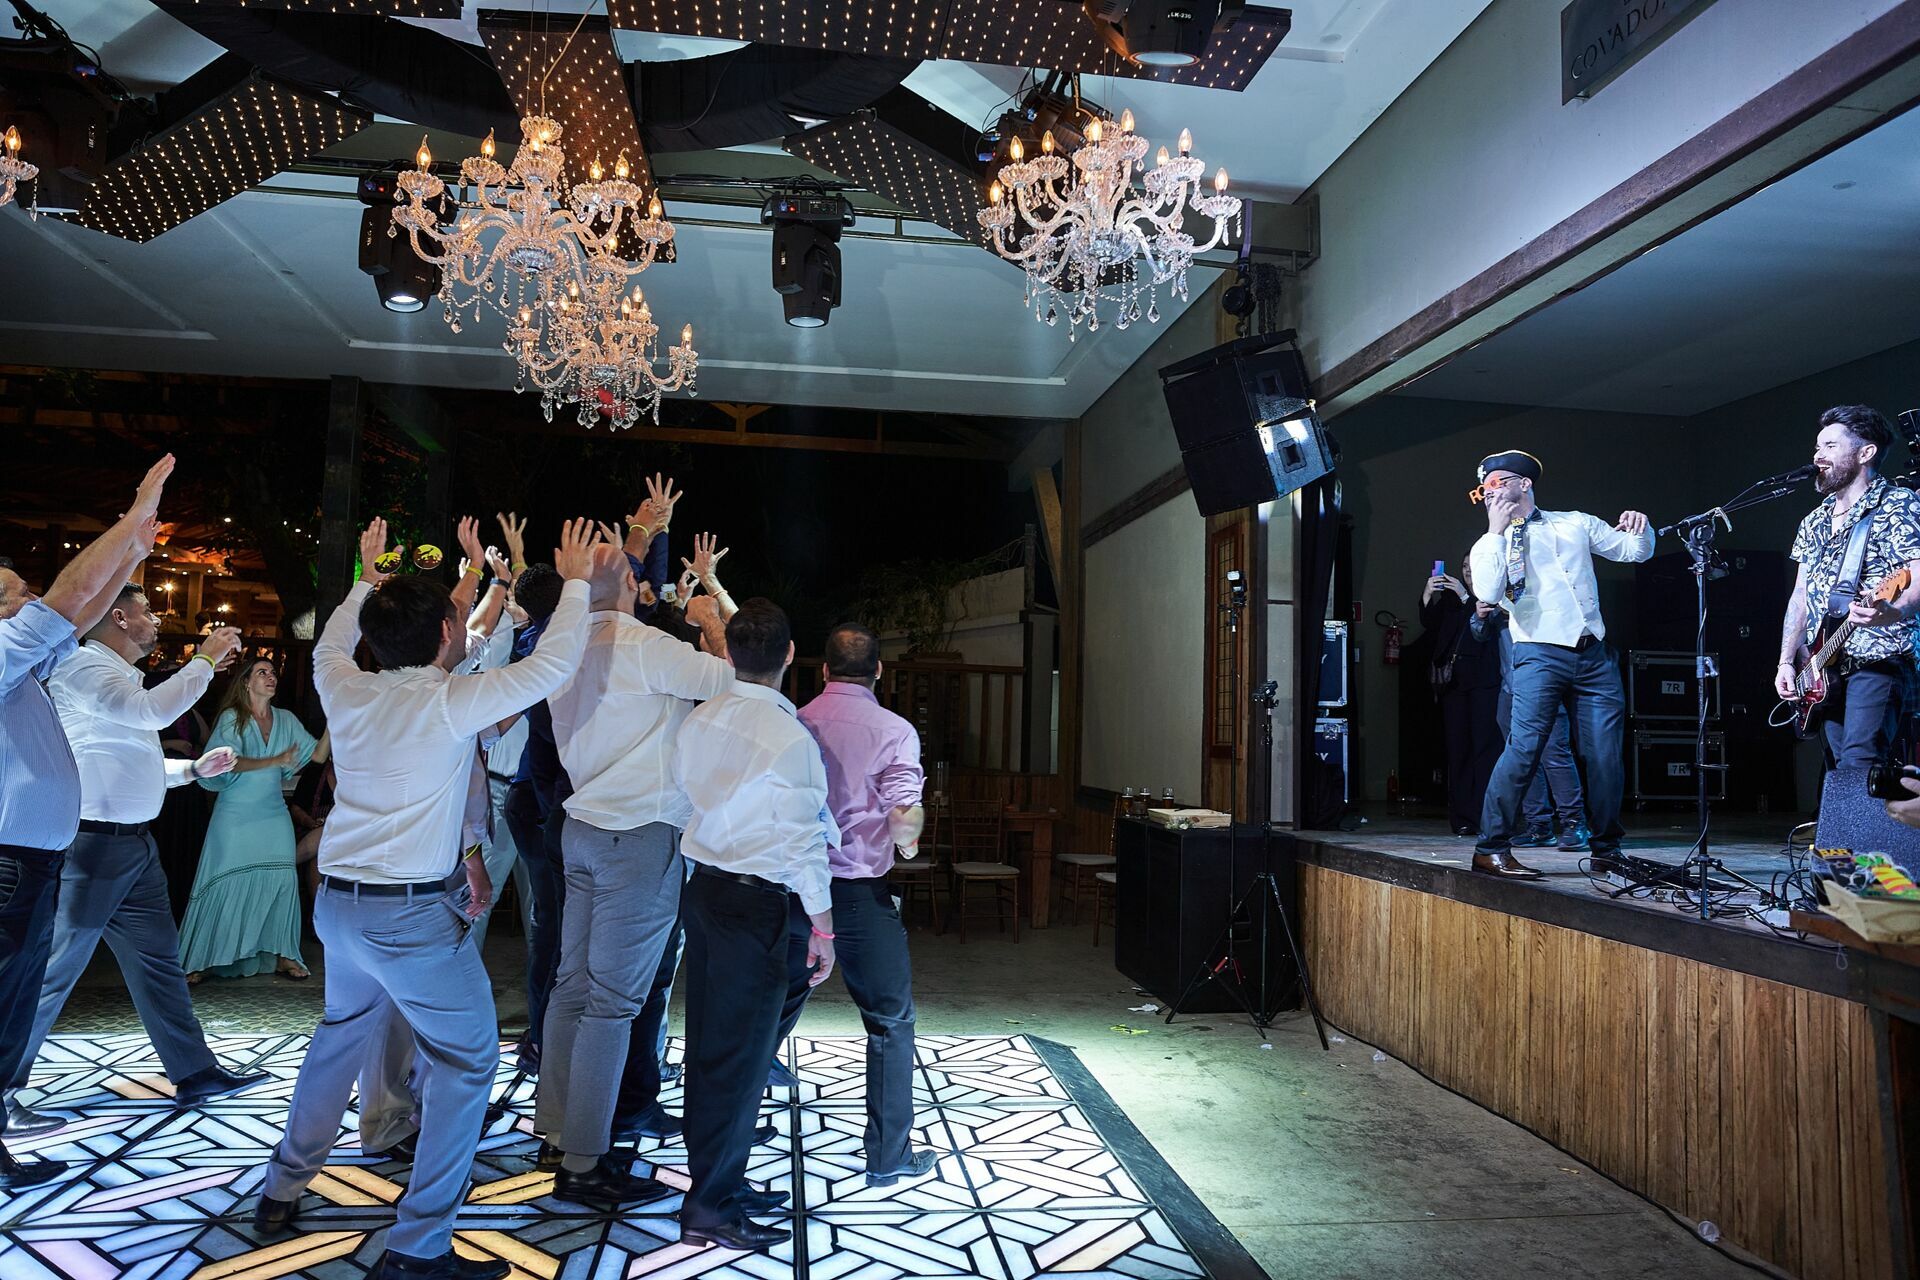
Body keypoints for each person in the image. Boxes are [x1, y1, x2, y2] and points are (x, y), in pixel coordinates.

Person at [252, 517, 595, 1280]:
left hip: (337, 908)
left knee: (341, 1035)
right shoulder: (450, 701)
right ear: (448, 630)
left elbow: (331, 645)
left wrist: (365, 578)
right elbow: (555, 665)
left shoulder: (348, 687)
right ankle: (417, 1245)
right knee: (469, 1065)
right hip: (407, 915)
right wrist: (574, 584)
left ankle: (280, 1189)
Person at [5, 587, 269, 1138]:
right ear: (120, 618)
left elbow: (129, 765)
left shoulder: (119, 676)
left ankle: (194, 1073)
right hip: (94, 848)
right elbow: (153, 712)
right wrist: (205, 659)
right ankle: (4, 1094)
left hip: (133, 847)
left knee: (158, 965)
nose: (156, 621)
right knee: (49, 972)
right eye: (149, 611)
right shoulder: (81, 667)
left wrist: (191, 771)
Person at [534, 540, 733, 1205]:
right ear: (630, 582)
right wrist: (708, 622)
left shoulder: (562, 647)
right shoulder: (643, 645)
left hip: (581, 828)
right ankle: (585, 1165)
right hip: (638, 835)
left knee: (571, 988)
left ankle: (558, 1131)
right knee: (613, 1004)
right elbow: (736, 684)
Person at [0, 452, 175, 1191]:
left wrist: (132, 551)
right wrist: (129, 522)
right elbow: (68, 605)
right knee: (13, 993)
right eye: (10, 594)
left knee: (15, 997)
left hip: (30, 859)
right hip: (10, 860)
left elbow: (74, 611)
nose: (25, 600)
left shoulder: (21, 665)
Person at [673, 600, 837, 1253]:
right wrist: (823, 930)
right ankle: (710, 1204)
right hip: (755, 904)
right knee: (738, 1059)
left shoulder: (700, 719)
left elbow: (686, 798)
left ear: (731, 656)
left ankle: (719, 1184)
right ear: (791, 656)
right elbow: (802, 841)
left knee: (715, 1047)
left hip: (707, 892)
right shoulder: (789, 737)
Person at [771, 622, 937, 1185]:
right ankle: (888, 1156)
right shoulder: (895, 729)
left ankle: (739, 1127)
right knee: (890, 1020)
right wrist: (908, 835)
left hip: (792, 888)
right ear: (879, 671)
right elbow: (903, 812)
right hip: (860, 894)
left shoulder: (794, 720)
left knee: (772, 1002)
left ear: (823, 670)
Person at [1467, 450, 1652, 879]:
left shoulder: (1574, 522)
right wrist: (1496, 530)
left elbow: (1632, 553)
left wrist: (1641, 528)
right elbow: (1491, 593)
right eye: (1486, 484)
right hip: (1537, 653)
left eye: (1499, 480)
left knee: (1605, 755)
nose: (1490, 489)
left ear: (1524, 483)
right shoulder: (1485, 545)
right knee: (1524, 750)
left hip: (1593, 654)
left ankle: (1607, 848)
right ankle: (1490, 848)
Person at [1775, 405, 1920, 771]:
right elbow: (1800, 597)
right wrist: (1786, 661)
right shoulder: (1814, 521)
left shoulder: (1897, 505)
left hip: (1879, 656)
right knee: (1840, 768)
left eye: (1830, 446)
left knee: (1860, 762)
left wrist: (1895, 610)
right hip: (1826, 667)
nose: (1818, 456)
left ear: (1865, 452)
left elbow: (1917, 572)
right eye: (1817, 448)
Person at [177, 657, 329, 981]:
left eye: (273, 673)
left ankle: (281, 954)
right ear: (246, 682)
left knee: (281, 880)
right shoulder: (233, 718)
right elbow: (227, 763)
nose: (271, 677)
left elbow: (315, 755)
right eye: (262, 672)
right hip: (235, 814)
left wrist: (335, 720)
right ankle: (202, 958)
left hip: (273, 814)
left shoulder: (285, 719)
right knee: (223, 880)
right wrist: (274, 759)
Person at [1474, 569, 1588, 851]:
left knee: (1555, 754)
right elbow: (1478, 634)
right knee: (1523, 759)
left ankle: (1575, 823)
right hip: (1511, 691)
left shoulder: (1539, 588)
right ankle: (1539, 825)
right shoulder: (1496, 600)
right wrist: (1480, 615)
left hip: (1543, 687)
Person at [1419, 564, 1502, 836]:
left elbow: (1483, 630)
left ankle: (1485, 817)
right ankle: (1462, 817)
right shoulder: (1452, 600)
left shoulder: (1495, 595)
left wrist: (1467, 598)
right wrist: (1428, 594)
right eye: (1465, 566)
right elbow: (1431, 626)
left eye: (1474, 565)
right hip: (1455, 684)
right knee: (1458, 751)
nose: (1468, 570)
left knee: (1485, 750)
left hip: (1486, 683)